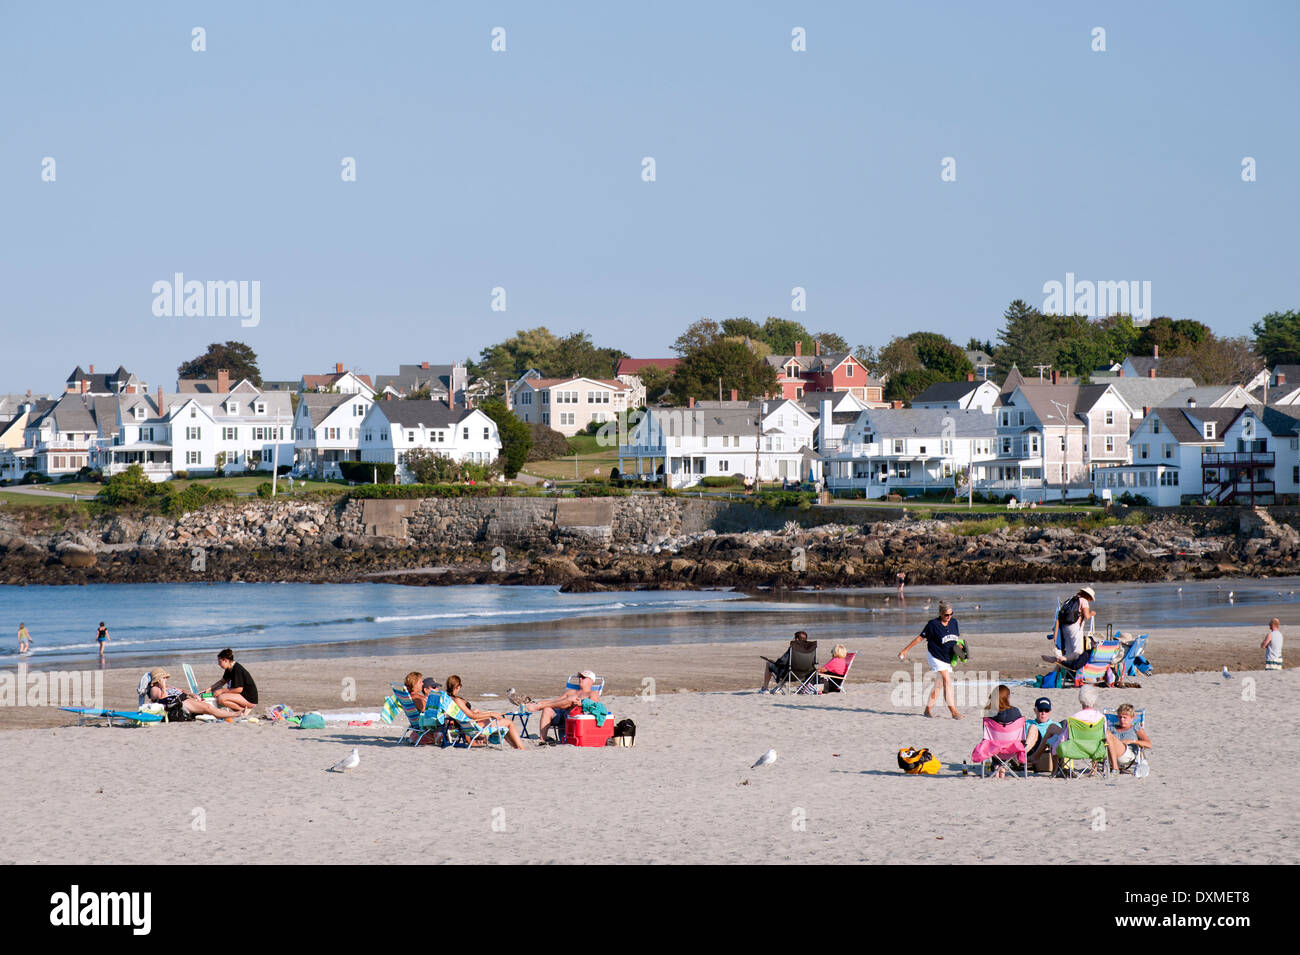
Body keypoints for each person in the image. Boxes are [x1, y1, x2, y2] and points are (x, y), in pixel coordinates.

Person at [898, 601, 963, 719]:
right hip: (935, 655)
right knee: (947, 681)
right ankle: (953, 711)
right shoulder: (933, 624)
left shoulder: (954, 623)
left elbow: (956, 640)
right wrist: (905, 650)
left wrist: (960, 650)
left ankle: (927, 710)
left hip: (947, 657)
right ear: (941, 614)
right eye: (946, 615)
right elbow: (920, 638)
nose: (949, 617)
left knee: (939, 685)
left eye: (951, 614)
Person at [444, 675, 525, 749]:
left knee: (501, 720)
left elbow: (466, 714)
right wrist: (490, 714)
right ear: (457, 686)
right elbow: (472, 716)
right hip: (475, 728)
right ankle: (521, 747)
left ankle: (514, 746)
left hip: (465, 726)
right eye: (460, 686)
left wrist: (489, 713)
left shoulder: (448, 699)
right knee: (509, 723)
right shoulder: (457, 700)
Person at [525, 670, 602, 745]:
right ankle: (542, 740)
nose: (580, 679)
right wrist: (540, 702)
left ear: (591, 681)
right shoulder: (571, 691)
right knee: (547, 709)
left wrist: (580, 703)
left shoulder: (593, 693)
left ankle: (539, 707)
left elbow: (594, 706)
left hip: (574, 719)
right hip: (562, 715)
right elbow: (556, 701)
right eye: (579, 677)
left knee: (571, 699)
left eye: (583, 677)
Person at [147, 669, 240, 721]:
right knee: (208, 708)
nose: (166, 679)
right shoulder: (154, 689)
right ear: (158, 680)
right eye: (163, 678)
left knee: (207, 706)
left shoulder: (168, 686)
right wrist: (163, 687)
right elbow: (163, 700)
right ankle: (235, 714)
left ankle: (228, 715)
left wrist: (192, 694)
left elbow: (182, 690)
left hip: (184, 699)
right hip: (180, 704)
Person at [1044, 685, 1104, 754]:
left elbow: (1064, 738)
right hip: (1095, 750)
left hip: (1075, 751)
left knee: (1055, 740)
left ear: (1080, 700)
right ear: (1095, 702)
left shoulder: (1075, 718)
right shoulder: (1101, 718)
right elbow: (1103, 737)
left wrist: (1054, 750)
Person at [1047, 587, 1097, 670]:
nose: (1089, 601)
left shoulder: (1072, 599)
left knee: (1070, 652)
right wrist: (1092, 613)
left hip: (1064, 627)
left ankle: (1057, 668)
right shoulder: (1084, 601)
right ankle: (1059, 659)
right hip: (1075, 628)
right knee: (1077, 653)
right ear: (1088, 596)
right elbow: (1087, 615)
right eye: (1090, 599)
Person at [982, 684, 1023, 777]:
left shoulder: (989, 713)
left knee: (992, 740)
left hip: (994, 749)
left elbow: (985, 735)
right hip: (1012, 748)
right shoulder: (1016, 711)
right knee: (1005, 740)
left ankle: (997, 764)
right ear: (1007, 697)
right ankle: (1003, 766)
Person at [205, 648, 258, 715]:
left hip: (249, 699)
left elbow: (239, 689)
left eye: (220, 662)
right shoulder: (229, 668)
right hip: (242, 696)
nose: (218, 664)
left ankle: (243, 711)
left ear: (226, 660)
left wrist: (221, 691)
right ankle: (241, 711)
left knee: (221, 698)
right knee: (220, 696)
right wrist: (209, 689)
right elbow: (222, 682)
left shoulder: (237, 669)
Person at [1105, 702, 1152, 772]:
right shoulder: (1112, 728)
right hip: (1109, 755)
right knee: (1104, 734)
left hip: (1127, 755)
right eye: (1120, 717)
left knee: (1107, 734)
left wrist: (1132, 741)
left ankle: (1115, 768)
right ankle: (1095, 769)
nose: (1122, 720)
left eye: (1125, 718)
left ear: (1132, 718)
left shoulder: (1135, 728)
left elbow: (1149, 745)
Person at [1023, 697, 1060, 773]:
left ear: (1050, 711)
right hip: (1030, 749)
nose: (1043, 713)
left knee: (1034, 728)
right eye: (1040, 710)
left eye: (1046, 710)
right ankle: (1022, 755)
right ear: (1035, 710)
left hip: (1044, 750)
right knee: (1032, 727)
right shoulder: (1027, 723)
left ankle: (1022, 754)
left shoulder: (1056, 725)